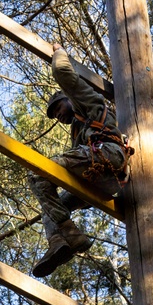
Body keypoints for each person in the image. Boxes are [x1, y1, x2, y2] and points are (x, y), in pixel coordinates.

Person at [29, 43, 132, 277]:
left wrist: (59, 52)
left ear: (69, 98)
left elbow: (63, 73)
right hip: (100, 175)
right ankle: (59, 241)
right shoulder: (78, 133)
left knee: (38, 172)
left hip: (109, 156)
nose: (58, 115)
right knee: (50, 204)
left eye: (58, 108)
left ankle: (71, 235)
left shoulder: (86, 103)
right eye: (54, 115)